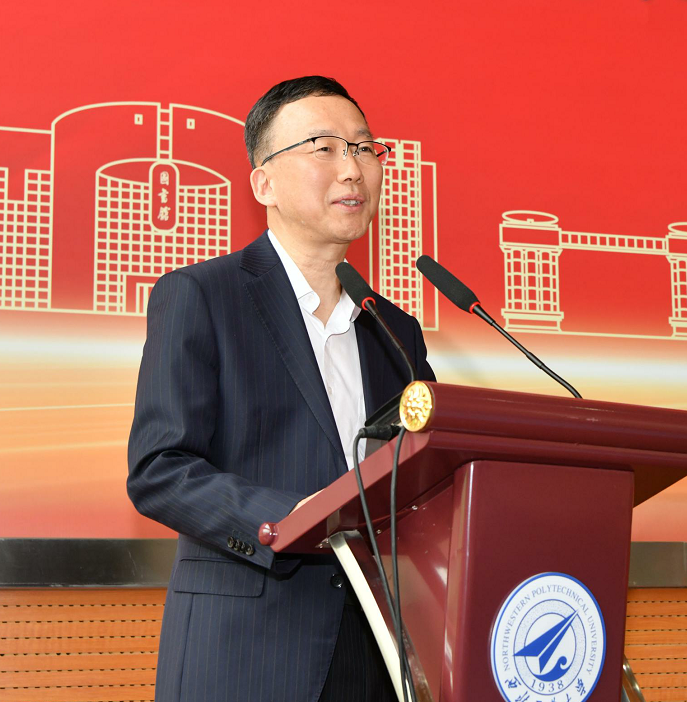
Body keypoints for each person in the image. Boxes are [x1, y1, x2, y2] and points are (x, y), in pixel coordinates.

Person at [127, 75, 435, 702]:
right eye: (325, 148)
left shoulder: (394, 329)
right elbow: (159, 469)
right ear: (263, 183)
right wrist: (288, 518)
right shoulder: (202, 296)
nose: (352, 168)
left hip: (378, 652)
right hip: (247, 652)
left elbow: (423, 479)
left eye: (365, 148)